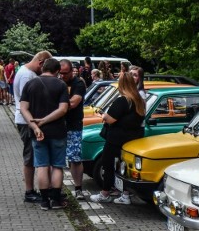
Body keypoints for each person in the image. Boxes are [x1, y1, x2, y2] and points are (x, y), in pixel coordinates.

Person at [20, 58, 70, 210]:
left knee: (41, 166)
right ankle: (55, 200)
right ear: (57, 71)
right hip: (57, 131)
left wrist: (35, 126)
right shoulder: (61, 85)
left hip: (38, 133)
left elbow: (23, 108)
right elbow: (63, 110)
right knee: (57, 166)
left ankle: (44, 201)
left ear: (43, 69)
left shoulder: (30, 84)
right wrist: (44, 121)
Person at [90, 72, 145, 204]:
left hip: (116, 138)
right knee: (125, 167)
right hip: (132, 138)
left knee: (107, 163)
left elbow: (109, 119)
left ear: (121, 84)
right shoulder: (139, 100)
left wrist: (104, 116)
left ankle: (105, 193)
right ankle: (125, 194)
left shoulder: (123, 100)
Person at [14, 50, 53, 203]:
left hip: (28, 120)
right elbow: (27, 104)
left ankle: (33, 190)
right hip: (27, 121)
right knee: (30, 156)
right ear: (41, 63)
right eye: (44, 68)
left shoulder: (26, 72)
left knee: (32, 155)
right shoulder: (27, 76)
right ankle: (29, 191)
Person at [60, 59, 87, 200]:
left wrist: (57, 108)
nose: (62, 76)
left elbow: (74, 102)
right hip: (58, 126)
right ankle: (57, 189)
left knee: (75, 158)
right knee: (58, 159)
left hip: (74, 125)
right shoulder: (57, 82)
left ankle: (78, 189)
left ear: (72, 71)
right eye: (60, 73)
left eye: (65, 73)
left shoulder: (78, 83)